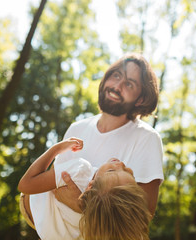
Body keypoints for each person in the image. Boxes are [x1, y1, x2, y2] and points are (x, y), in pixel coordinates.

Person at [54, 52, 164, 215]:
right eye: (116, 75)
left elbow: (143, 214)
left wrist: (81, 205)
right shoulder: (76, 129)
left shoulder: (147, 138)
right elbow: (51, 189)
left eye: (129, 84)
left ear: (140, 99)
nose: (117, 86)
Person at [18, 137, 151, 240]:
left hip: (31, 202)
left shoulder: (80, 171)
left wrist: (56, 149)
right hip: (42, 225)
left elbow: (25, 185)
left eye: (111, 171)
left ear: (90, 186)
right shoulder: (101, 223)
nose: (121, 164)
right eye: (129, 172)